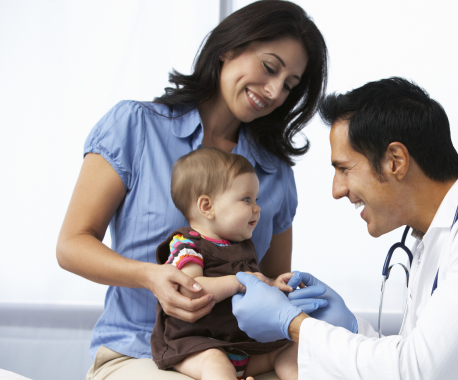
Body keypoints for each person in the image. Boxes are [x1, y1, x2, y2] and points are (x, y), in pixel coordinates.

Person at [231, 78, 458, 379]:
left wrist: (294, 324)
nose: (337, 190)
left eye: (344, 168)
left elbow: (418, 372)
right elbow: (414, 355)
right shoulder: (432, 236)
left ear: (395, 161)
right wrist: (349, 327)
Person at [55, 1, 327, 379]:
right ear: (229, 47)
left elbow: (269, 283)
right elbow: (71, 245)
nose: (274, 91)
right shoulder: (136, 127)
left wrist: (287, 293)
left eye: (289, 86)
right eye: (269, 68)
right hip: (140, 353)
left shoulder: (275, 171)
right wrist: (149, 276)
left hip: (241, 357)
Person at [151, 148, 302, 380]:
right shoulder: (186, 245)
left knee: (292, 347)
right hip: (197, 345)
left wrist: (273, 284)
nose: (257, 208)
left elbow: (254, 284)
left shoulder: (242, 247)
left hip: (243, 345)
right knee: (215, 363)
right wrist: (238, 282)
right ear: (207, 207)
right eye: (246, 199)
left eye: (256, 200)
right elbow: (190, 288)